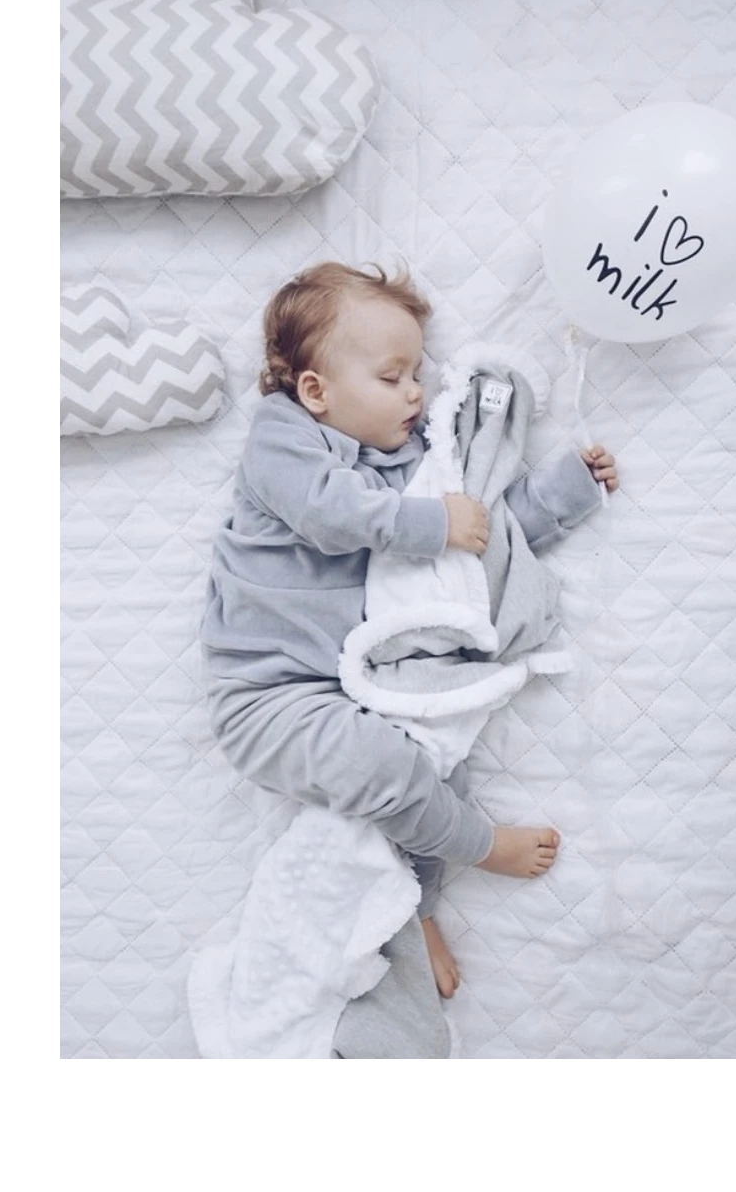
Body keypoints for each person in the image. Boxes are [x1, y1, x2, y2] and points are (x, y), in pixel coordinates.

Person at [200, 261, 619, 1001]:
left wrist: (568, 489)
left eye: (418, 374)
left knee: (435, 756)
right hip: (270, 698)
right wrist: (433, 523)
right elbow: (331, 515)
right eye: (391, 377)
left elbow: (480, 539)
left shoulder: (411, 464)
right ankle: (479, 846)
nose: (416, 393)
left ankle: (417, 906)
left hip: (367, 683)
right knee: (388, 769)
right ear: (316, 391)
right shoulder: (284, 440)